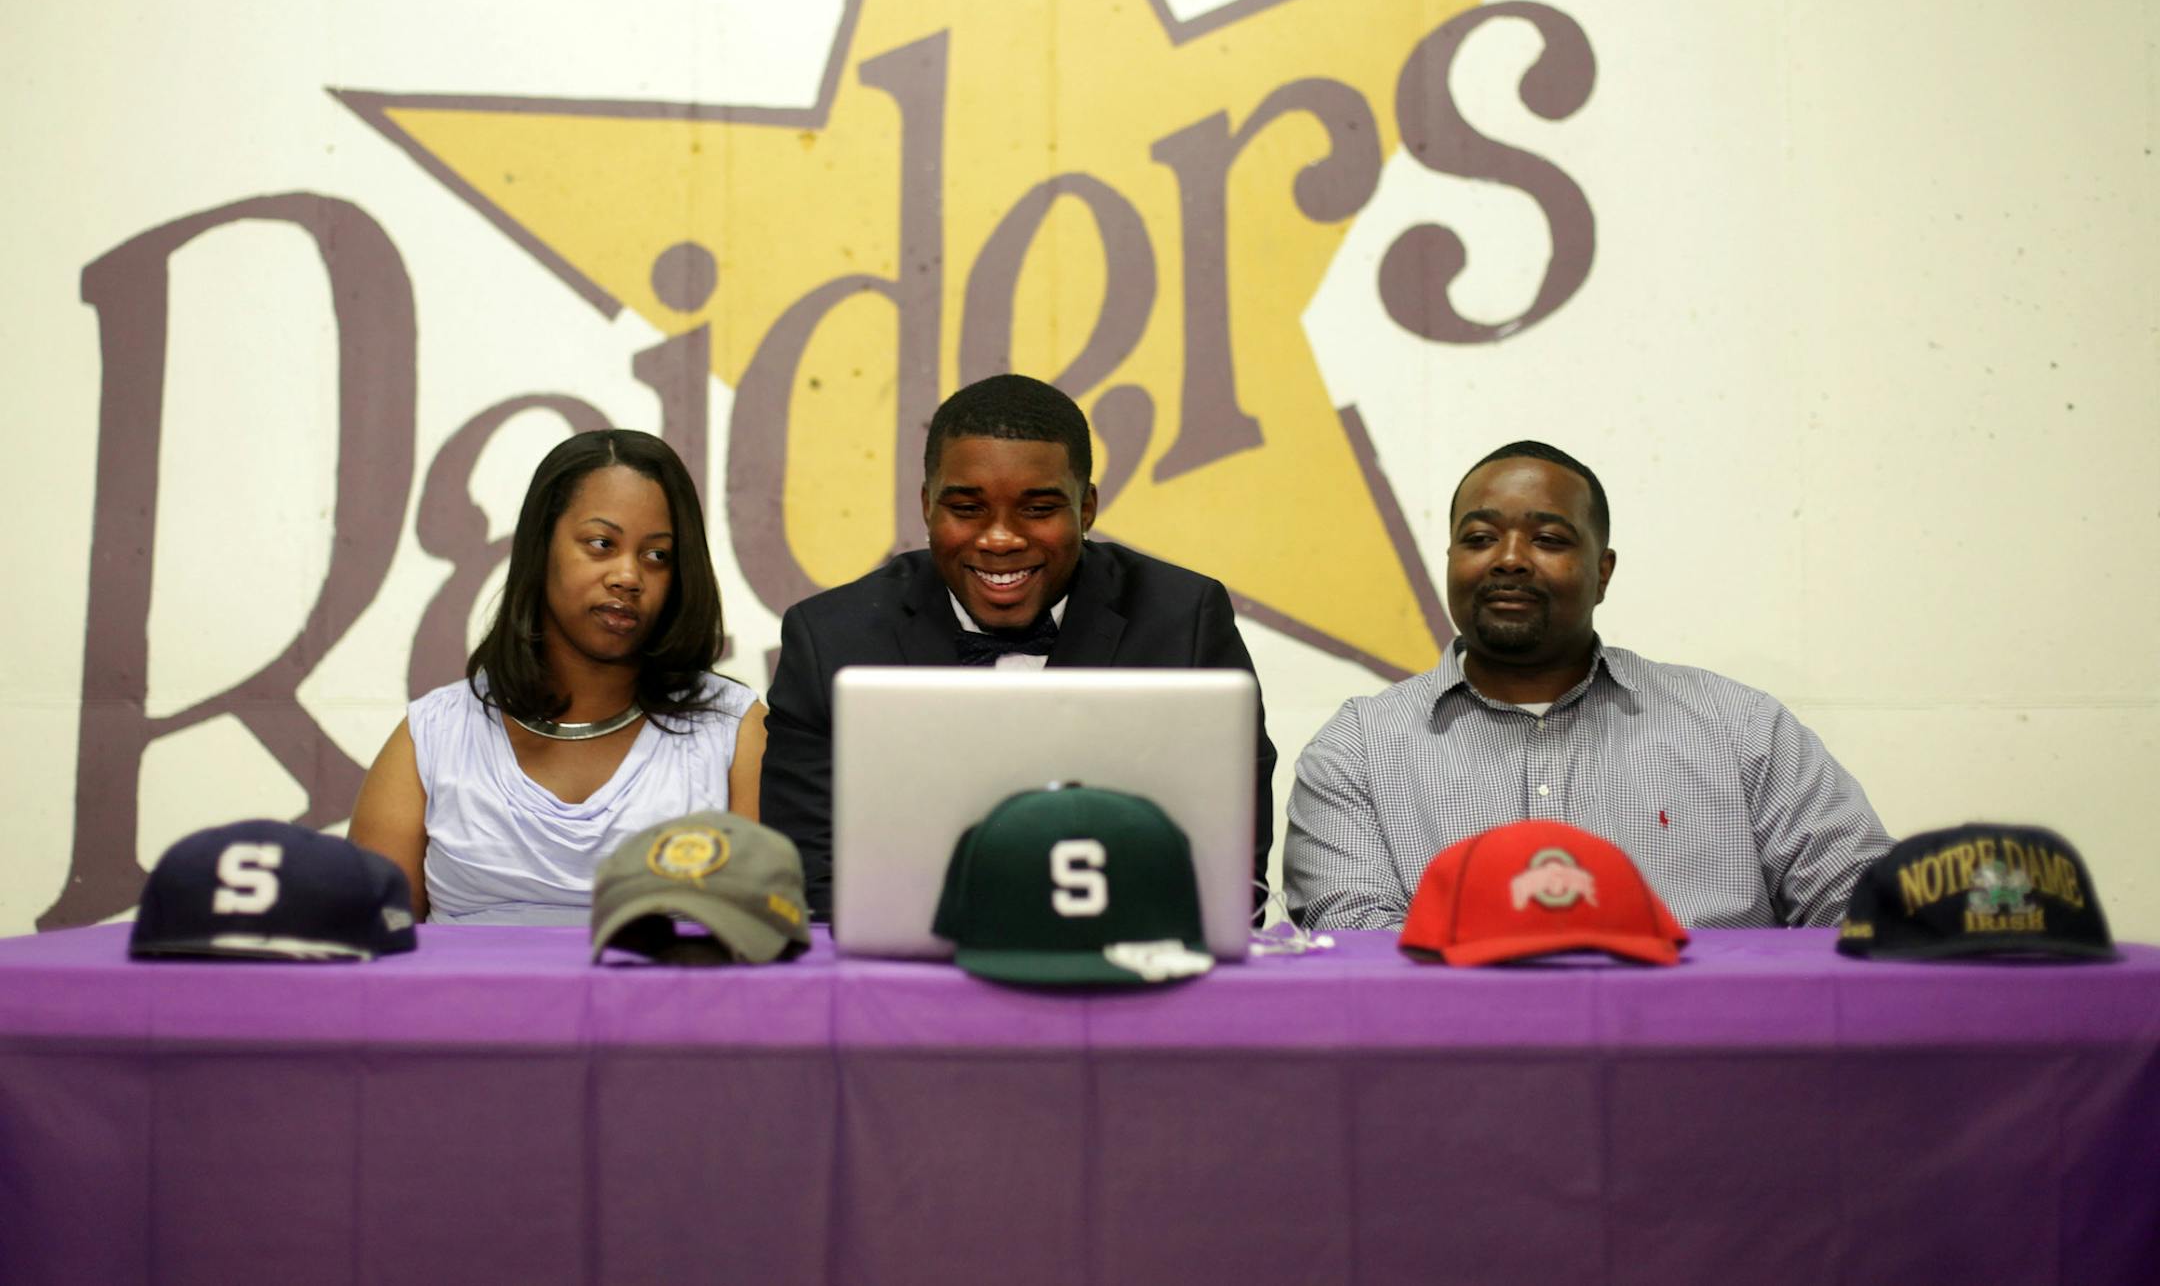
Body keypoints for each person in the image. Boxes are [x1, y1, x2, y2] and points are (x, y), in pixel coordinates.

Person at [1285, 440, 1892, 930]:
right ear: (1449, 560)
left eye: (1548, 540)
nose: (1510, 559)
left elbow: (1861, 906)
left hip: (1704, 1059)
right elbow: (1354, 942)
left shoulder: (1739, 726)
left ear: (1603, 572)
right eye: (1479, 539)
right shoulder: (1357, 749)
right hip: (1460, 1064)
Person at [761, 373, 1278, 919]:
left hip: (1125, 974)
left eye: (1037, 509)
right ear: (927, 506)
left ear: (1086, 509)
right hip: (914, 981)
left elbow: (1230, 875)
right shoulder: (832, 638)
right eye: (966, 508)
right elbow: (810, 881)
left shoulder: (1184, 621)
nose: (1000, 538)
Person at [351, 430, 764, 924]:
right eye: (601, 544)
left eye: (657, 556)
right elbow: (366, 955)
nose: (628, 576)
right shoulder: (433, 735)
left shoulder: (732, 731)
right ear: (541, 546)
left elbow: (760, 952)